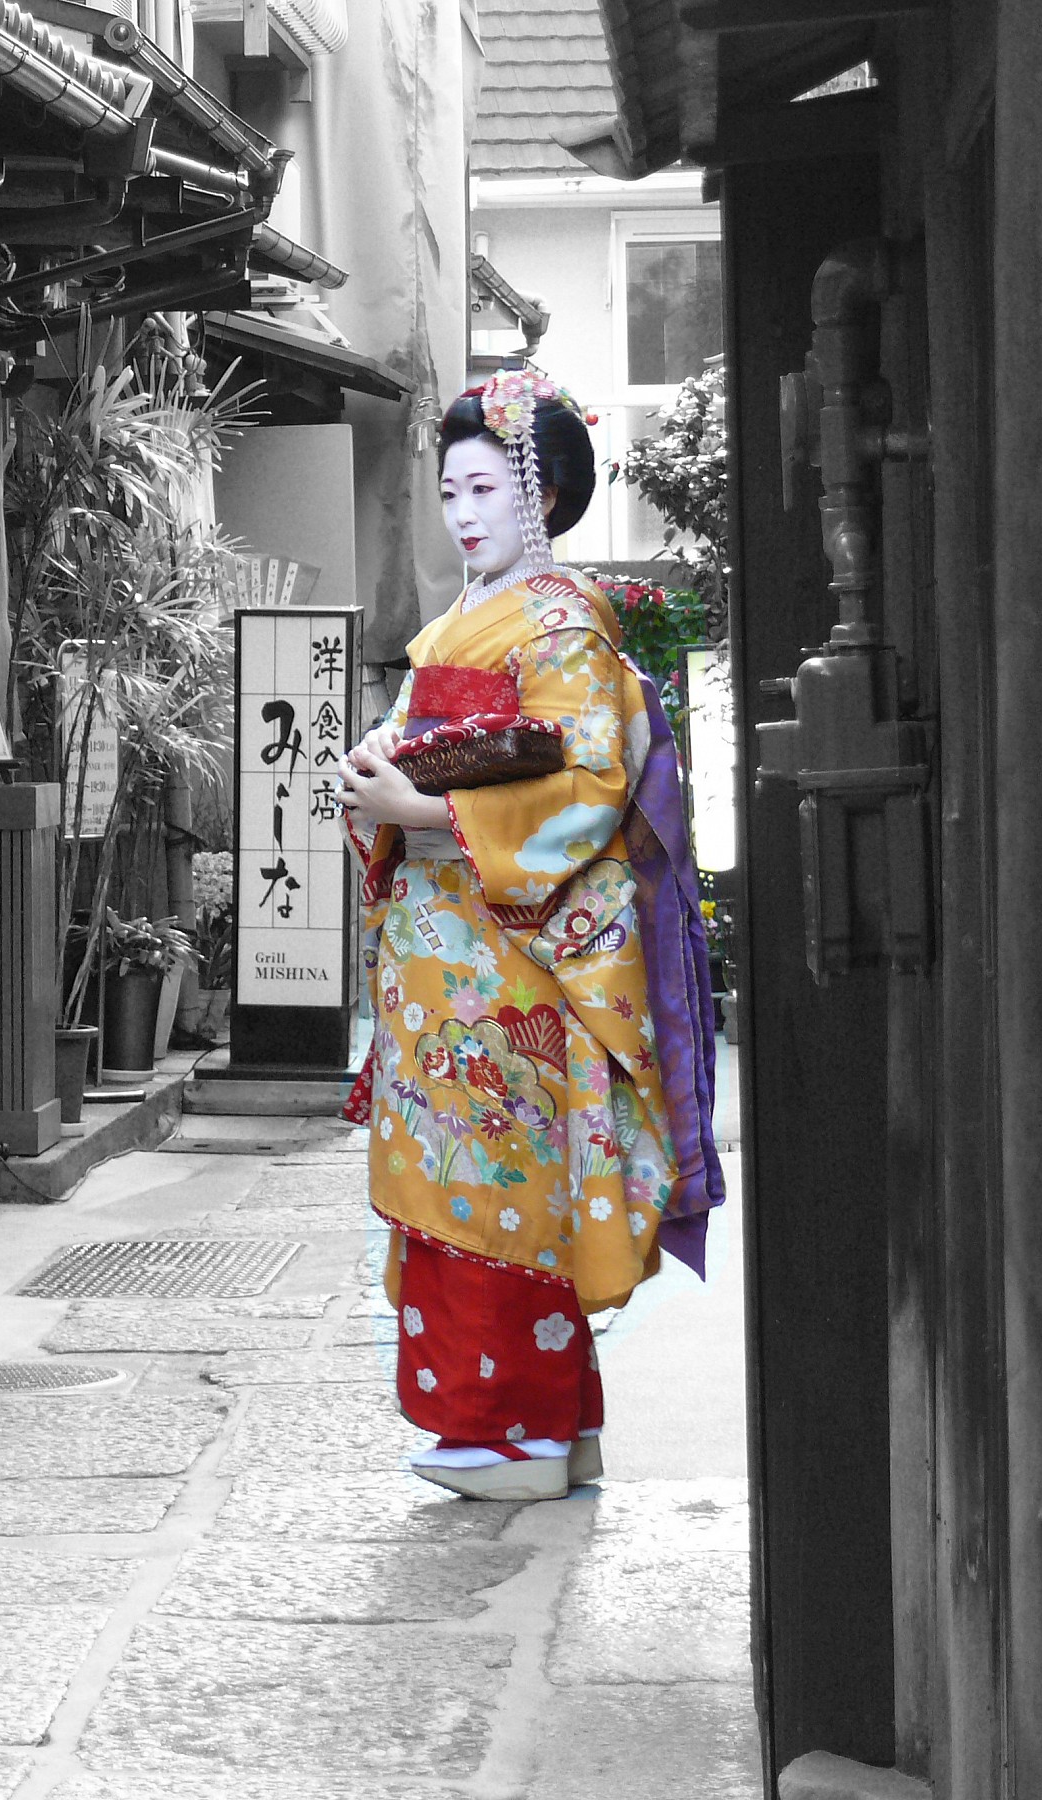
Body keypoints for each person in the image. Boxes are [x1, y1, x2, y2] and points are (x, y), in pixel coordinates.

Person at [335, 366, 724, 1503]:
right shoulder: (468, 620)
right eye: (449, 490)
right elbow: (432, 740)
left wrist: (419, 808)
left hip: (510, 963)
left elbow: (585, 779)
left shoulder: (563, 625)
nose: (462, 513)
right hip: (447, 954)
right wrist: (380, 767)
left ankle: (512, 1434)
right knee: (461, 1176)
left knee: (498, 1185)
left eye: (485, 490)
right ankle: (557, 1426)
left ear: (540, 497)